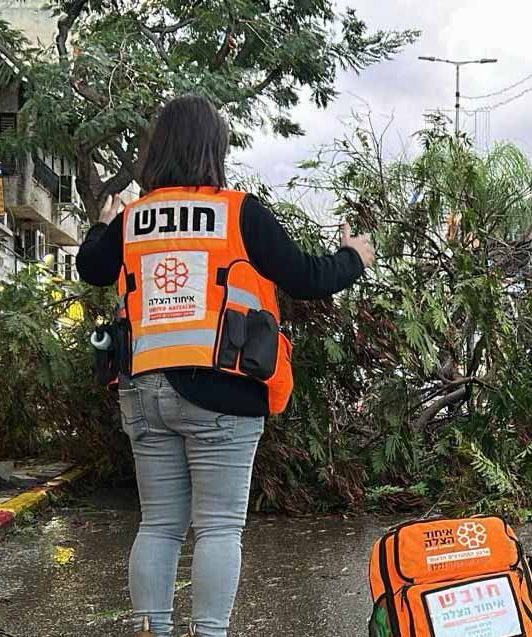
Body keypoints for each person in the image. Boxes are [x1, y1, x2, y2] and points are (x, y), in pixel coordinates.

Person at [76, 94, 374, 637]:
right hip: (224, 391)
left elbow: (92, 268)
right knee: (217, 529)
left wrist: (105, 223)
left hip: (144, 390)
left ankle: (151, 630)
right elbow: (306, 277)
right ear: (215, 148)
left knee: (160, 526)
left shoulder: (135, 221)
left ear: (155, 150)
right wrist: (355, 256)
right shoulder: (239, 212)